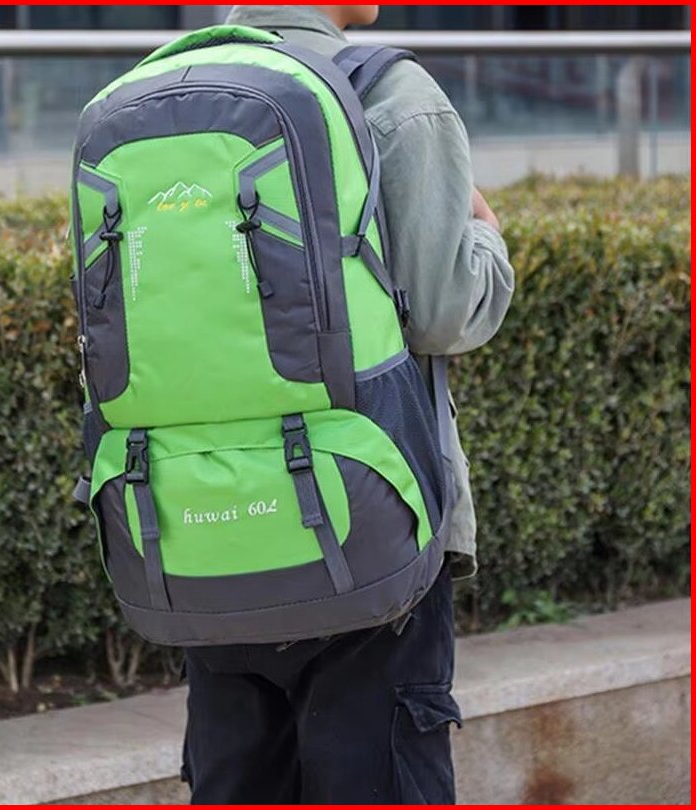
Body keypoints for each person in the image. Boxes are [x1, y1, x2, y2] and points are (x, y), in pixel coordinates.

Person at [181, 5, 515, 804]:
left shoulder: (169, 89)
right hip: (367, 537)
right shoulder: (388, 92)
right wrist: (489, 237)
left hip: (201, 533)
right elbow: (445, 313)